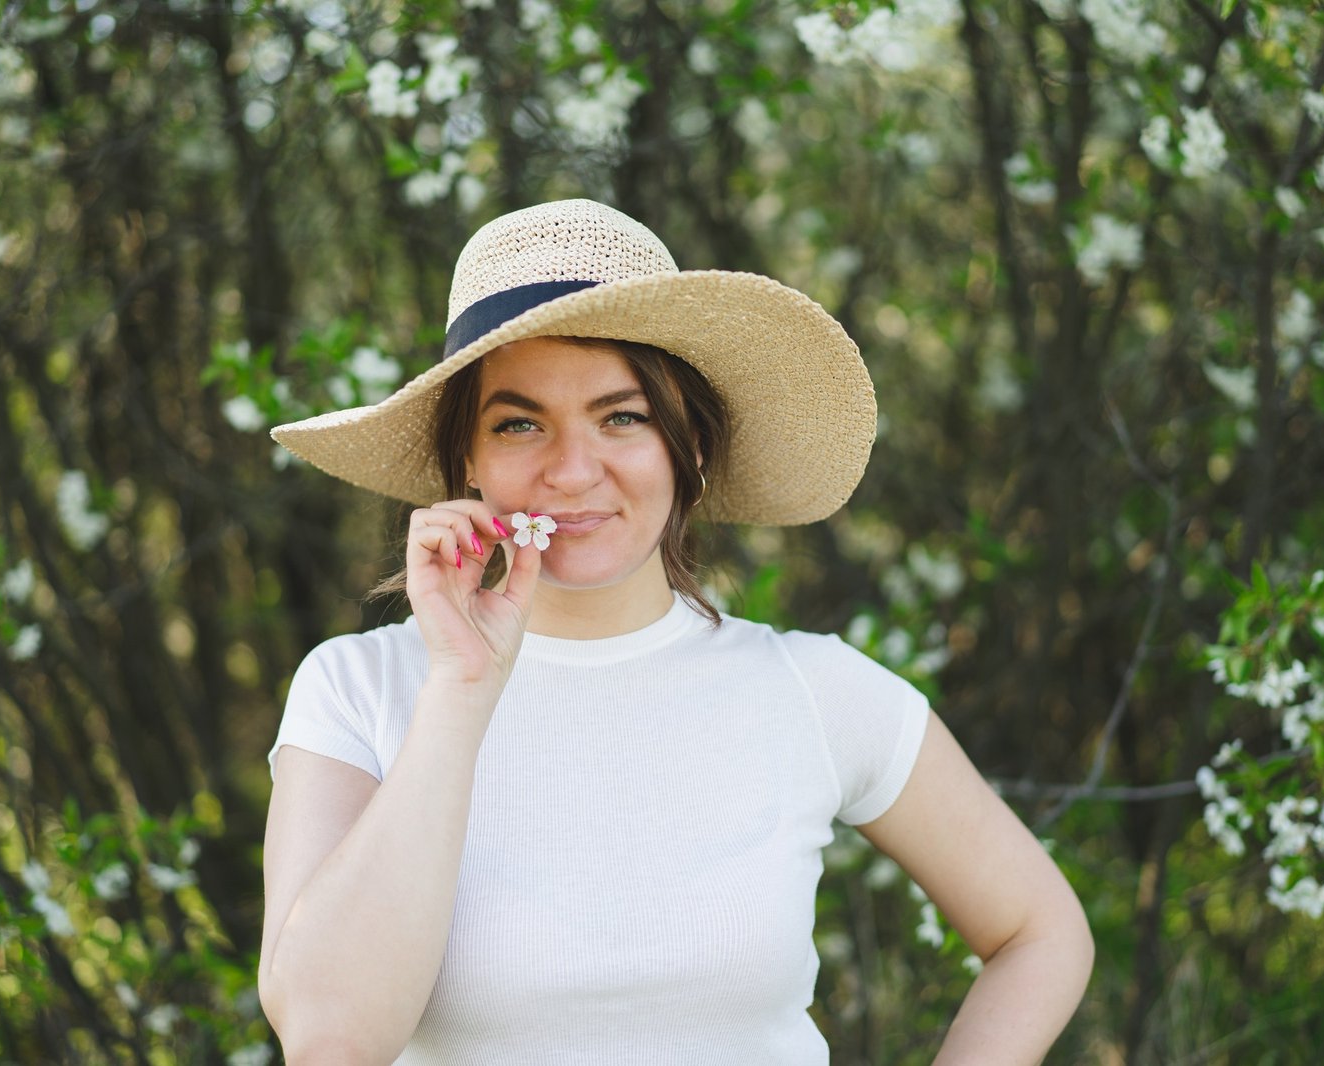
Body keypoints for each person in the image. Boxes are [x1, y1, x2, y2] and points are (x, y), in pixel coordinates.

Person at [257, 199, 1093, 1065]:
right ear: (467, 458)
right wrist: (461, 691)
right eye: (518, 422)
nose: (573, 471)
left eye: (623, 417)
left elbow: (1041, 931)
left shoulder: (814, 691)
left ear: (690, 442)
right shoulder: (359, 690)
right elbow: (331, 1041)